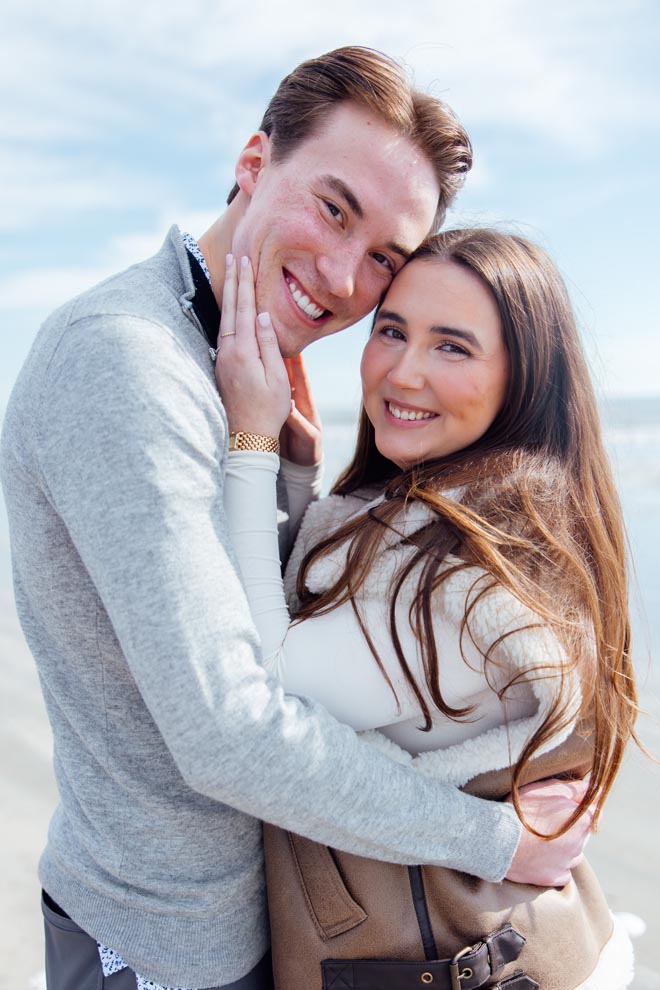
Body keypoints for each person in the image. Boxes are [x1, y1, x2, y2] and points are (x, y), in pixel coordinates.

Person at [0, 47, 591, 990]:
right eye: (332, 207)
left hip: (253, 927)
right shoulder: (126, 366)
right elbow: (228, 729)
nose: (345, 277)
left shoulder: (231, 366)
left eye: (384, 260)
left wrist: (280, 457)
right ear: (251, 162)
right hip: (161, 943)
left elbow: (262, 625)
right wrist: (493, 839)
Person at [217, 228, 638, 988]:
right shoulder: (512, 519)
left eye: (452, 347)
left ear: (523, 380)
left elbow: (258, 684)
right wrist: (296, 473)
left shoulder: (461, 577)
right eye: (391, 330)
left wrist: (249, 441)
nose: (403, 372)